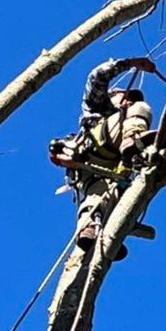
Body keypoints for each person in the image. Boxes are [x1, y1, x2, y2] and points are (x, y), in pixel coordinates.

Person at [63, 56, 156, 254]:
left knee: (104, 195)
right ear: (112, 95)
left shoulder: (132, 117)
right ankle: (132, 140)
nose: (129, 102)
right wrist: (130, 63)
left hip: (111, 171)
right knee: (142, 108)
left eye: (131, 99)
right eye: (125, 96)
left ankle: (100, 231)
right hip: (95, 150)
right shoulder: (97, 107)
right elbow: (97, 78)